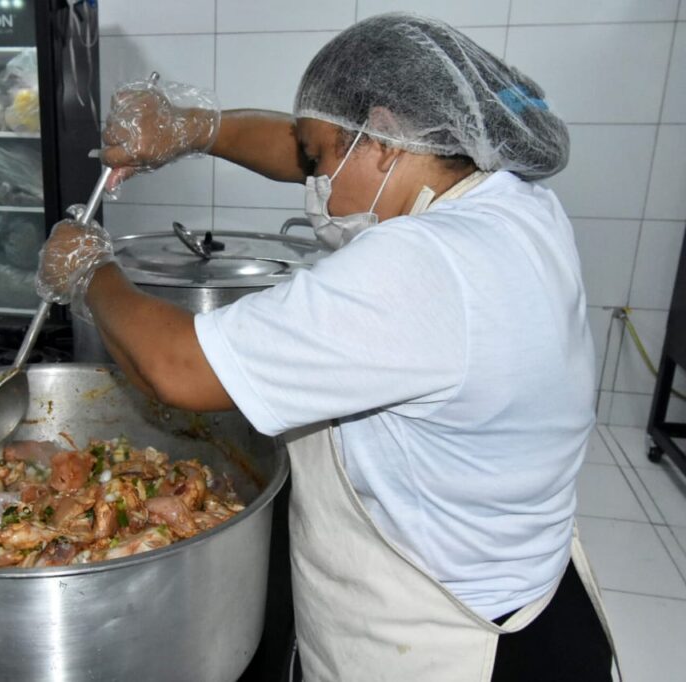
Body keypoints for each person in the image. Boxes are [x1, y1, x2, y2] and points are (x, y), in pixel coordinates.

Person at [37, 12, 617, 682]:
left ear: (387, 138)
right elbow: (312, 144)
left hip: (450, 643)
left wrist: (91, 271)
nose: (313, 188)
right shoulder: (514, 203)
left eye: (317, 163)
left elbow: (177, 368)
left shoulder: (421, 267)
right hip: (535, 602)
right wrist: (192, 129)